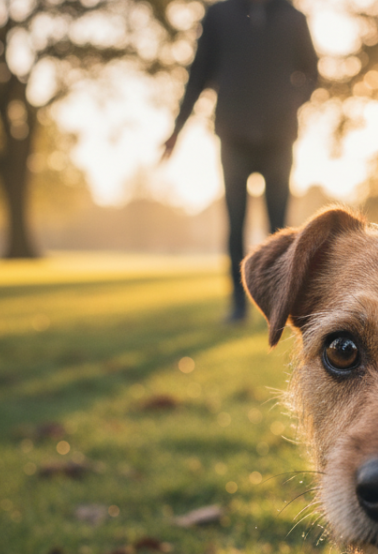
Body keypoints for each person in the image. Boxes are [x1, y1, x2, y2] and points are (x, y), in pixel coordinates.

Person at [163, 0, 318, 323]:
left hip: (279, 136)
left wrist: (291, 102)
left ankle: (283, 306)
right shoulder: (219, 16)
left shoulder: (293, 18)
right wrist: (177, 129)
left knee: (282, 227)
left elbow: (312, 74)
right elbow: (198, 75)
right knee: (235, 224)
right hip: (234, 135)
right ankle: (237, 305)